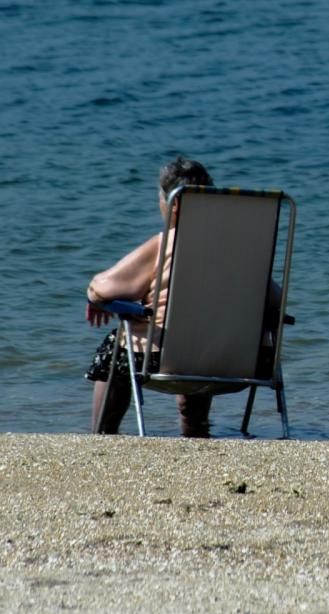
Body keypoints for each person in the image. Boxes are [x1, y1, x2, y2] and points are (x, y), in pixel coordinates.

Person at [84, 157, 217, 437]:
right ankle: (195, 429)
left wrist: (94, 297)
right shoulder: (241, 249)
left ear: (174, 204)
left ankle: (102, 437)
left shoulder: (166, 243)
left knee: (117, 345)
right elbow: (274, 302)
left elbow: (101, 287)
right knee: (202, 333)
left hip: (166, 359)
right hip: (227, 358)